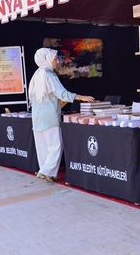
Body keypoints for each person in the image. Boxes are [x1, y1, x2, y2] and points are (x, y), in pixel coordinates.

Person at [28, 48, 95, 183]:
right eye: (55, 59)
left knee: (43, 147)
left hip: (37, 117)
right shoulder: (49, 75)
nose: (57, 62)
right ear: (47, 59)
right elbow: (61, 93)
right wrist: (80, 97)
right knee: (55, 146)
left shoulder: (37, 74)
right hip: (49, 116)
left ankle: (49, 173)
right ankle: (45, 171)